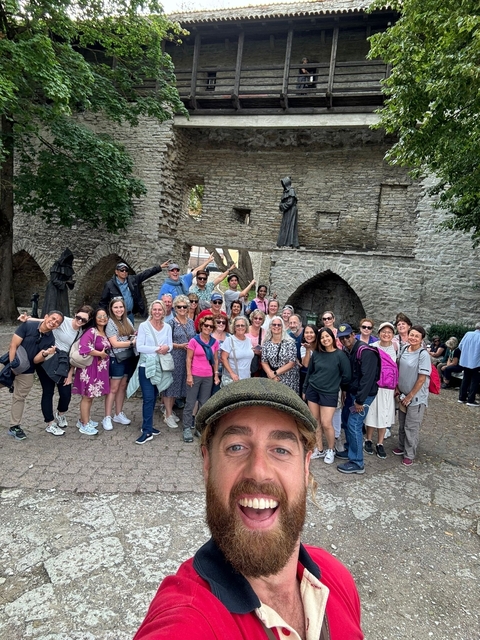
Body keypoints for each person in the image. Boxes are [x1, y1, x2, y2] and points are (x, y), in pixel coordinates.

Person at [134, 379, 364, 640]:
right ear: (207, 463)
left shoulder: (336, 577)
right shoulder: (187, 617)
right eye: (236, 447)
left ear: (306, 465)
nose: (259, 471)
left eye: (281, 449)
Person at [18, 305, 94, 435]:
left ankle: (60, 413)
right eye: (79, 317)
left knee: (66, 394)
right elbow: (47, 320)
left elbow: (73, 353)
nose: (80, 321)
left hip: (63, 362)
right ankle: (50, 423)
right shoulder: (65, 322)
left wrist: (70, 373)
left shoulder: (81, 332)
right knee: (48, 392)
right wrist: (28, 319)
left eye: (84, 320)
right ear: (75, 314)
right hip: (48, 358)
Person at [6, 311, 64, 441]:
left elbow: (36, 361)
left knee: (20, 397)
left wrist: (45, 353)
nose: (54, 322)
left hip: (27, 369)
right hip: (11, 363)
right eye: (53, 318)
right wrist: (12, 365)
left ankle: (14, 426)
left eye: (57, 322)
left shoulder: (51, 339)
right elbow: (13, 345)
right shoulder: (28, 325)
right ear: (46, 317)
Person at [335, 323, 380, 474]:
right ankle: (350, 449)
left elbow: (367, 379)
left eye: (347, 336)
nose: (345, 340)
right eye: (342, 338)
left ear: (353, 335)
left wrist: (360, 400)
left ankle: (357, 462)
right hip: (353, 393)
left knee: (354, 424)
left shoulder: (365, 351)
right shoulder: (348, 350)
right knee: (346, 420)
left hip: (364, 395)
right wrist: (346, 390)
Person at [303, 327, 351, 465]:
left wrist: (335, 383)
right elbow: (310, 373)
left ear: (332, 338)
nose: (325, 339)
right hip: (313, 390)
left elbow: (347, 375)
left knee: (326, 423)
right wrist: (305, 388)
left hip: (329, 393)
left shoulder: (340, 355)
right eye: (322, 337)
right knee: (315, 421)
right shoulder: (316, 354)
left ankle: (331, 449)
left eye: (327, 336)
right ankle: (319, 449)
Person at [127, 300, 173, 444]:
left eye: (160, 310)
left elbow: (170, 345)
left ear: (163, 311)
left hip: (160, 366)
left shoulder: (167, 327)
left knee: (153, 395)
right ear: (151, 311)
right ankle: (147, 431)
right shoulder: (144, 326)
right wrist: (157, 349)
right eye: (155, 309)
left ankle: (149, 425)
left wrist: (167, 348)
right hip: (146, 366)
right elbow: (140, 347)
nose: (157, 312)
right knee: (148, 397)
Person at [394, 325, 431, 466]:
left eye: (417, 336)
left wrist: (410, 395)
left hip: (415, 398)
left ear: (421, 339)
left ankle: (409, 453)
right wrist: (398, 388)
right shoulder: (404, 349)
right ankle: (402, 446)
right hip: (402, 394)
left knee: (412, 426)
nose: (413, 338)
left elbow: (422, 378)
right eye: (412, 335)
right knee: (402, 423)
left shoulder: (423, 355)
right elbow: (398, 369)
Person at [72, 308, 111, 436]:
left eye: (105, 316)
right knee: (87, 396)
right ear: (94, 318)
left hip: (99, 368)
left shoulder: (104, 332)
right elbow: (84, 347)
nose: (102, 318)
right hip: (90, 368)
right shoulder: (91, 331)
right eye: (99, 316)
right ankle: (84, 424)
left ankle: (83, 419)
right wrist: (99, 353)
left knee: (91, 396)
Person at [183, 316, 220, 443]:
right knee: (190, 402)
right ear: (201, 326)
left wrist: (215, 375)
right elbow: (188, 359)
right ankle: (187, 428)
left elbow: (215, 360)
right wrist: (189, 375)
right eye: (206, 326)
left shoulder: (214, 342)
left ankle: (199, 427)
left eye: (210, 326)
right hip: (195, 374)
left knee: (203, 403)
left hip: (208, 376)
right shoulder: (194, 341)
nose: (208, 328)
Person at [363, 322, 397, 459]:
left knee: (384, 414)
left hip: (388, 388)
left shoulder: (396, 348)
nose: (386, 334)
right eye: (384, 332)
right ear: (379, 333)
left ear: (392, 335)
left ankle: (380, 443)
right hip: (375, 385)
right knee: (372, 412)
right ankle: (369, 439)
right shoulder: (372, 347)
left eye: (389, 332)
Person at [163, 295, 196, 429]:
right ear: (175, 308)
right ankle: (168, 414)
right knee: (170, 386)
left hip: (187, 358)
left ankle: (170, 412)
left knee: (179, 386)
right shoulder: (170, 323)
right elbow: (166, 342)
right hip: (175, 356)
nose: (182, 309)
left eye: (184, 306)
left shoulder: (191, 322)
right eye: (179, 307)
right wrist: (180, 345)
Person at [103, 297, 136, 431]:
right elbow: (114, 343)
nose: (119, 310)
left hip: (127, 356)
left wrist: (133, 338)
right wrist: (131, 343)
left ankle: (118, 413)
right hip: (116, 358)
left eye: (121, 307)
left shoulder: (127, 320)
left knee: (123, 386)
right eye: (116, 307)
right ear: (111, 309)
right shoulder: (111, 323)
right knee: (114, 388)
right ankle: (107, 416)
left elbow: (133, 334)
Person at [99, 261, 168, 324]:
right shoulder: (109, 285)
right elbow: (103, 302)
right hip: (117, 316)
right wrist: (103, 315)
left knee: (131, 334)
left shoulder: (132, 280)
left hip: (130, 314)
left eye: (126, 270)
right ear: (116, 272)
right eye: (122, 270)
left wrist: (159, 267)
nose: (124, 272)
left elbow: (145, 274)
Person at [261, 316, 299, 393]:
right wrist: (270, 374)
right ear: (270, 326)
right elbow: (264, 362)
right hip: (272, 378)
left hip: (288, 378)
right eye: (274, 324)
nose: (276, 326)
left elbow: (291, 363)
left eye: (279, 325)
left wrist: (275, 373)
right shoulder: (266, 343)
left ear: (283, 327)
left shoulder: (290, 343)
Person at [41, 248, 75, 316]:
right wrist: (65, 282)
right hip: (53, 288)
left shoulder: (68, 268)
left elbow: (69, 280)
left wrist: (70, 283)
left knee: (63, 306)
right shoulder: (56, 265)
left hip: (62, 289)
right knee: (52, 305)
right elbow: (54, 280)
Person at [221, 316, 254, 385]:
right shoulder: (229, 340)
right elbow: (223, 358)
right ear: (234, 327)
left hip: (247, 377)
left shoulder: (249, 340)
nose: (240, 327)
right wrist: (232, 373)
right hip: (234, 379)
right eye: (237, 325)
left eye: (242, 325)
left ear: (246, 327)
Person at [457, 322, 480, 407]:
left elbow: (460, 346)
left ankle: (462, 397)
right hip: (477, 362)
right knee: (475, 381)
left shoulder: (468, 334)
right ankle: (471, 399)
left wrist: (467, 353)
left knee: (465, 379)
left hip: (466, 361)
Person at [277, 176, 299, 248]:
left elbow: (290, 202)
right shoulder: (286, 192)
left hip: (291, 211)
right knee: (285, 226)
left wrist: (282, 206)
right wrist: (281, 205)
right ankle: (284, 242)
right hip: (287, 211)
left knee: (290, 225)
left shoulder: (291, 191)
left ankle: (289, 243)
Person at [212, 314, 230, 392]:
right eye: (218, 322)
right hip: (210, 370)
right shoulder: (208, 335)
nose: (221, 324)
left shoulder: (230, 337)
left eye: (224, 322)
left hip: (225, 371)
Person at [246, 310, 265, 378]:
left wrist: (260, 353)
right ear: (252, 319)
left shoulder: (265, 332)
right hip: (245, 361)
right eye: (255, 318)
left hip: (257, 362)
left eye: (260, 319)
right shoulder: (245, 329)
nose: (258, 320)